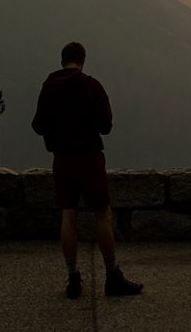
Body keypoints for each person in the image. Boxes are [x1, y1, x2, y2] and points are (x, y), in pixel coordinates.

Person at [31, 41, 144, 299]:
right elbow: (106, 126)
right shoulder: (92, 86)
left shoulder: (49, 87)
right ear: (82, 60)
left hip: (62, 159)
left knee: (68, 216)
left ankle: (72, 278)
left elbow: (38, 125)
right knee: (102, 214)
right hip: (90, 159)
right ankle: (112, 275)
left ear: (62, 61)